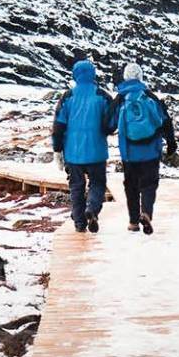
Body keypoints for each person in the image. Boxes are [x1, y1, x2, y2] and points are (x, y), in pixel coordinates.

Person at [109, 63, 177, 235]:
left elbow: (108, 124)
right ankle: (146, 212)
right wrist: (171, 143)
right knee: (149, 185)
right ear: (140, 77)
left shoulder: (120, 99)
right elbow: (165, 121)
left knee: (131, 186)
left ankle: (133, 222)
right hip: (151, 151)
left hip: (129, 153)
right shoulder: (150, 97)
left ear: (125, 77)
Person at [51, 59, 112, 233]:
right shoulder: (102, 95)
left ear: (75, 75)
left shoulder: (68, 96)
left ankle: (79, 224)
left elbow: (58, 126)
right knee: (98, 184)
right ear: (93, 74)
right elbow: (112, 122)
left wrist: (57, 150)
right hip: (97, 151)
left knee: (76, 187)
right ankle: (92, 209)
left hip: (73, 152)